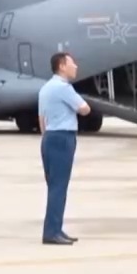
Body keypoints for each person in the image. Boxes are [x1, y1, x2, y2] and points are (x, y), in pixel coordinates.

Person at [38, 52, 92, 246]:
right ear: (62, 66)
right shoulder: (64, 88)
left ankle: (55, 228)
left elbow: (42, 119)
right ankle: (52, 232)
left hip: (49, 137)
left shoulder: (45, 88)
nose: (75, 66)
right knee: (59, 187)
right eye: (72, 63)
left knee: (54, 186)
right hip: (63, 138)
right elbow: (85, 108)